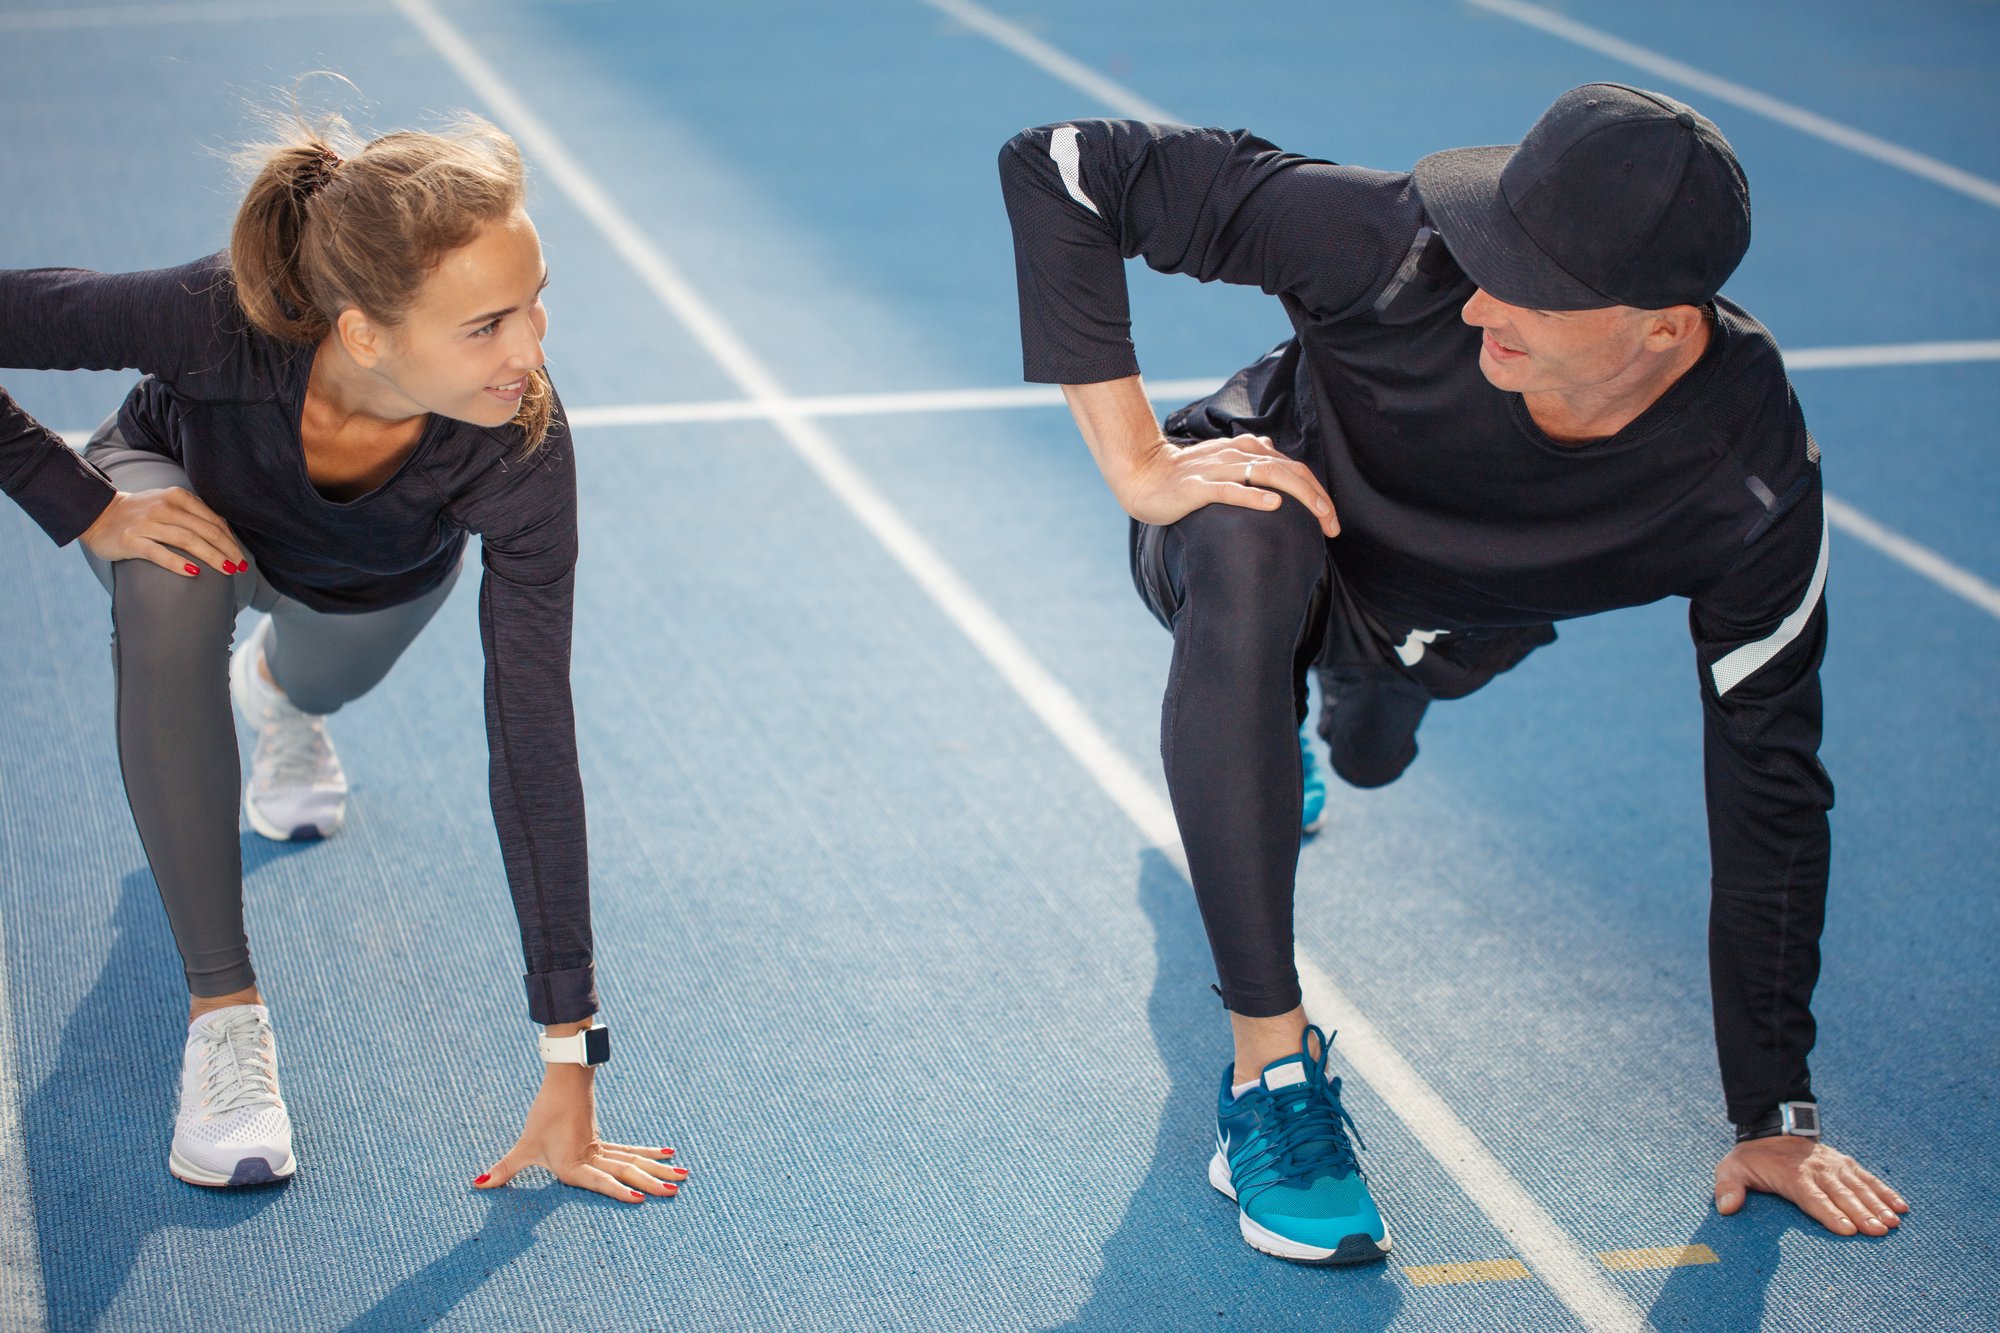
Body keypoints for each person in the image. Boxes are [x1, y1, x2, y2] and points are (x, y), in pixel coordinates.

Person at [999, 84, 1906, 1264]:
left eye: (1531, 284)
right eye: (1489, 249)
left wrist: (1772, 1110)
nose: (1477, 294)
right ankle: (1271, 1079)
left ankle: (1326, 730)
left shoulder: (1745, 486)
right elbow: (1063, 163)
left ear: (1664, 331)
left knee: (1366, 751)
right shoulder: (1393, 248)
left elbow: (1769, 773)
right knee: (1249, 543)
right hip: (1258, 519)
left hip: (1441, 629)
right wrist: (1134, 459)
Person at [0, 112, 685, 1202]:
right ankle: (225, 1021)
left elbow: (532, 737)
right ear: (363, 333)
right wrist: (80, 503)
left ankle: (277, 694)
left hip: (364, 584)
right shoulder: (216, 319)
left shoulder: (518, 450)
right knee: (177, 590)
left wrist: (569, 1051)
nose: (531, 349)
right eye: (486, 325)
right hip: (176, 504)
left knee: (320, 679)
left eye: (535, 301)